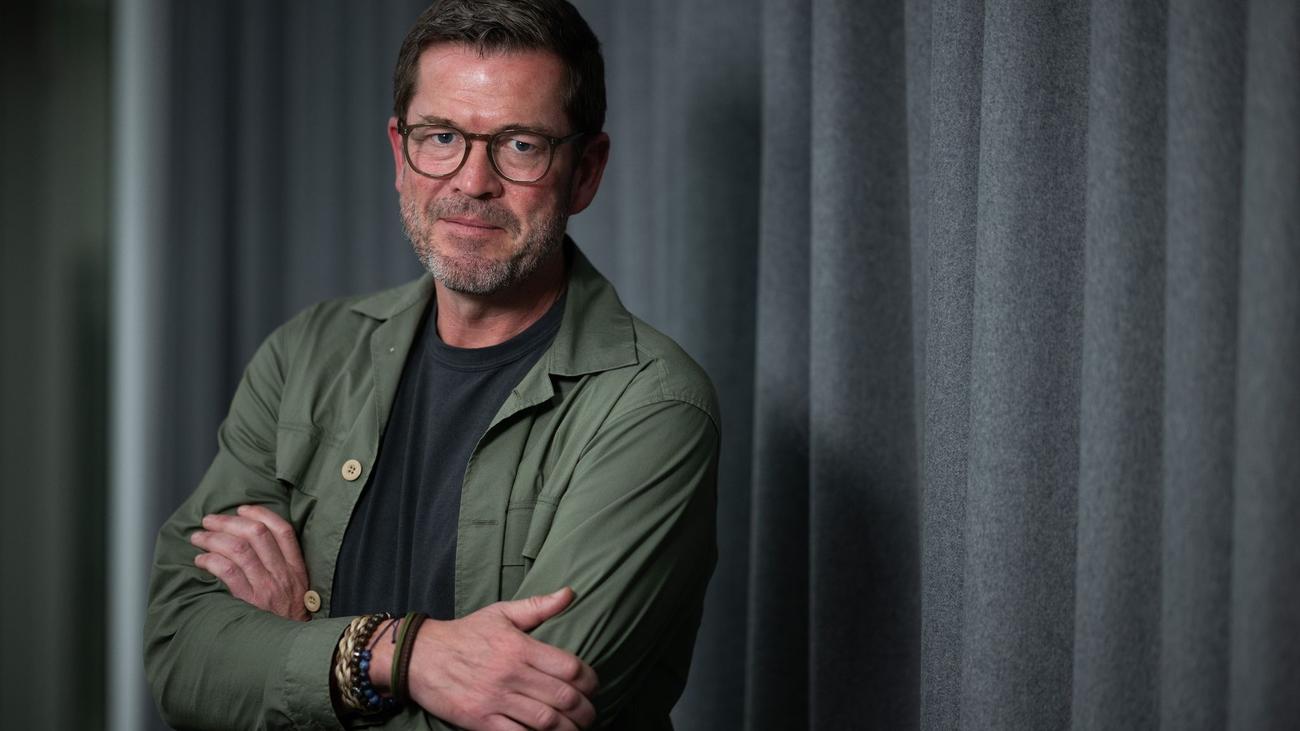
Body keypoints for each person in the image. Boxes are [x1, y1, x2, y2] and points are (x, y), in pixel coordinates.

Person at [143, 1, 720, 729]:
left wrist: (295, 654)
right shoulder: (306, 355)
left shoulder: (651, 407)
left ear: (585, 172)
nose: (471, 182)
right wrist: (395, 654)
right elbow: (180, 652)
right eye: (441, 137)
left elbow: (528, 716)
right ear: (400, 152)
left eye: (520, 145)